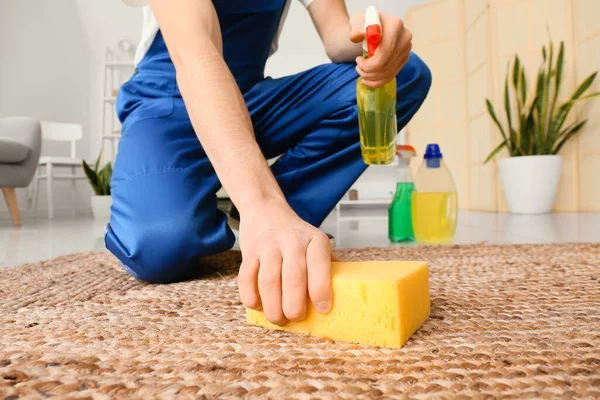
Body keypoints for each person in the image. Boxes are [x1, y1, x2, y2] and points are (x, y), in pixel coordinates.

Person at [108, 0, 431, 326]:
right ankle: (260, 212)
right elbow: (196, 53)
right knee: (160, 246)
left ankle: (278, 220)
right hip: (167, 101)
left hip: (250, 98)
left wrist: (371, 37)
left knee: (405, 75)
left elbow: (336, 35)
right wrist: (259, 202)